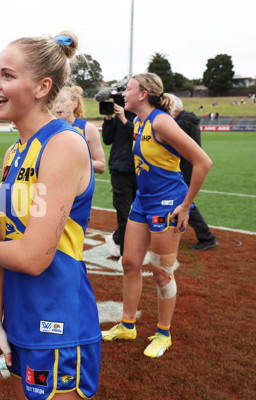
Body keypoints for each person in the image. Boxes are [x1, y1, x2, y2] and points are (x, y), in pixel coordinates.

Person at [0, 33, 101, 400]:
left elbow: (32, 258)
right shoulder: (15, 151)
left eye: (7, 75)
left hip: (58, 322)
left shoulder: (64, 145)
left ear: (42, 87)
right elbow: (6, 240)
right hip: (18, 316)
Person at [101, 73, 212, 358]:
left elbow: (203, 161)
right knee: (129, 262)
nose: (123, 93)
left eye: (128, 89)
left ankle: (164, 332)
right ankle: (128, 325)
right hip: (143, 202)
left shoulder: (162, 121)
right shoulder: (138, 121)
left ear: (143, 94)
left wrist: (186, 205)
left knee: (162, 273)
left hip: (168, 205)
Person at [169, 94, 218, 251]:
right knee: (182, 201)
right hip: (189, 167)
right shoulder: (189, 120)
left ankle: (206, 237)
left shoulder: (181, 122)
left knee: (186, 203)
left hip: (185, 168)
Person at [101, 103, 138, 258]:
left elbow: (139, 136)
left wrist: (123, 119)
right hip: (119, 170)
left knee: (140, 212)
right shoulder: (115, 117)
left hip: (140, 169)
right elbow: (107, 140)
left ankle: (116, 238)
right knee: (123, 214)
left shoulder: (139, 116)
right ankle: (125, 256)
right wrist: (109, 119)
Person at [54, 85, 106, 174]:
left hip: (79, 186)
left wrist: (77, 161)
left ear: (75, 103)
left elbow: (101, 166)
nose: (58, 105)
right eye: (55, 101)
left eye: (62, 101)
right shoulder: (49, 128)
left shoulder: (88, 129)